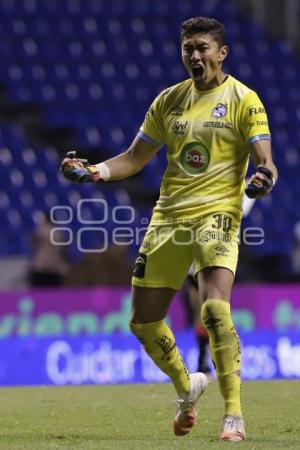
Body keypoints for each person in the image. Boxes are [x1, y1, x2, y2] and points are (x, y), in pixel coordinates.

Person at [61, 17, 278, 442]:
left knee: (214, 309)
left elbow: (265, 162)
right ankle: (187, 386)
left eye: (202, 48)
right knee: (143, 323)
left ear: (222, 52)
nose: (194, 56)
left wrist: (262, 178)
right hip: (169, 220)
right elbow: (133, 158)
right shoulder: (169, 100)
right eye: (187, 50)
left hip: (218, 215)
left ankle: (233, 414)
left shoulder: (243, 99)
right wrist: (93, 172)